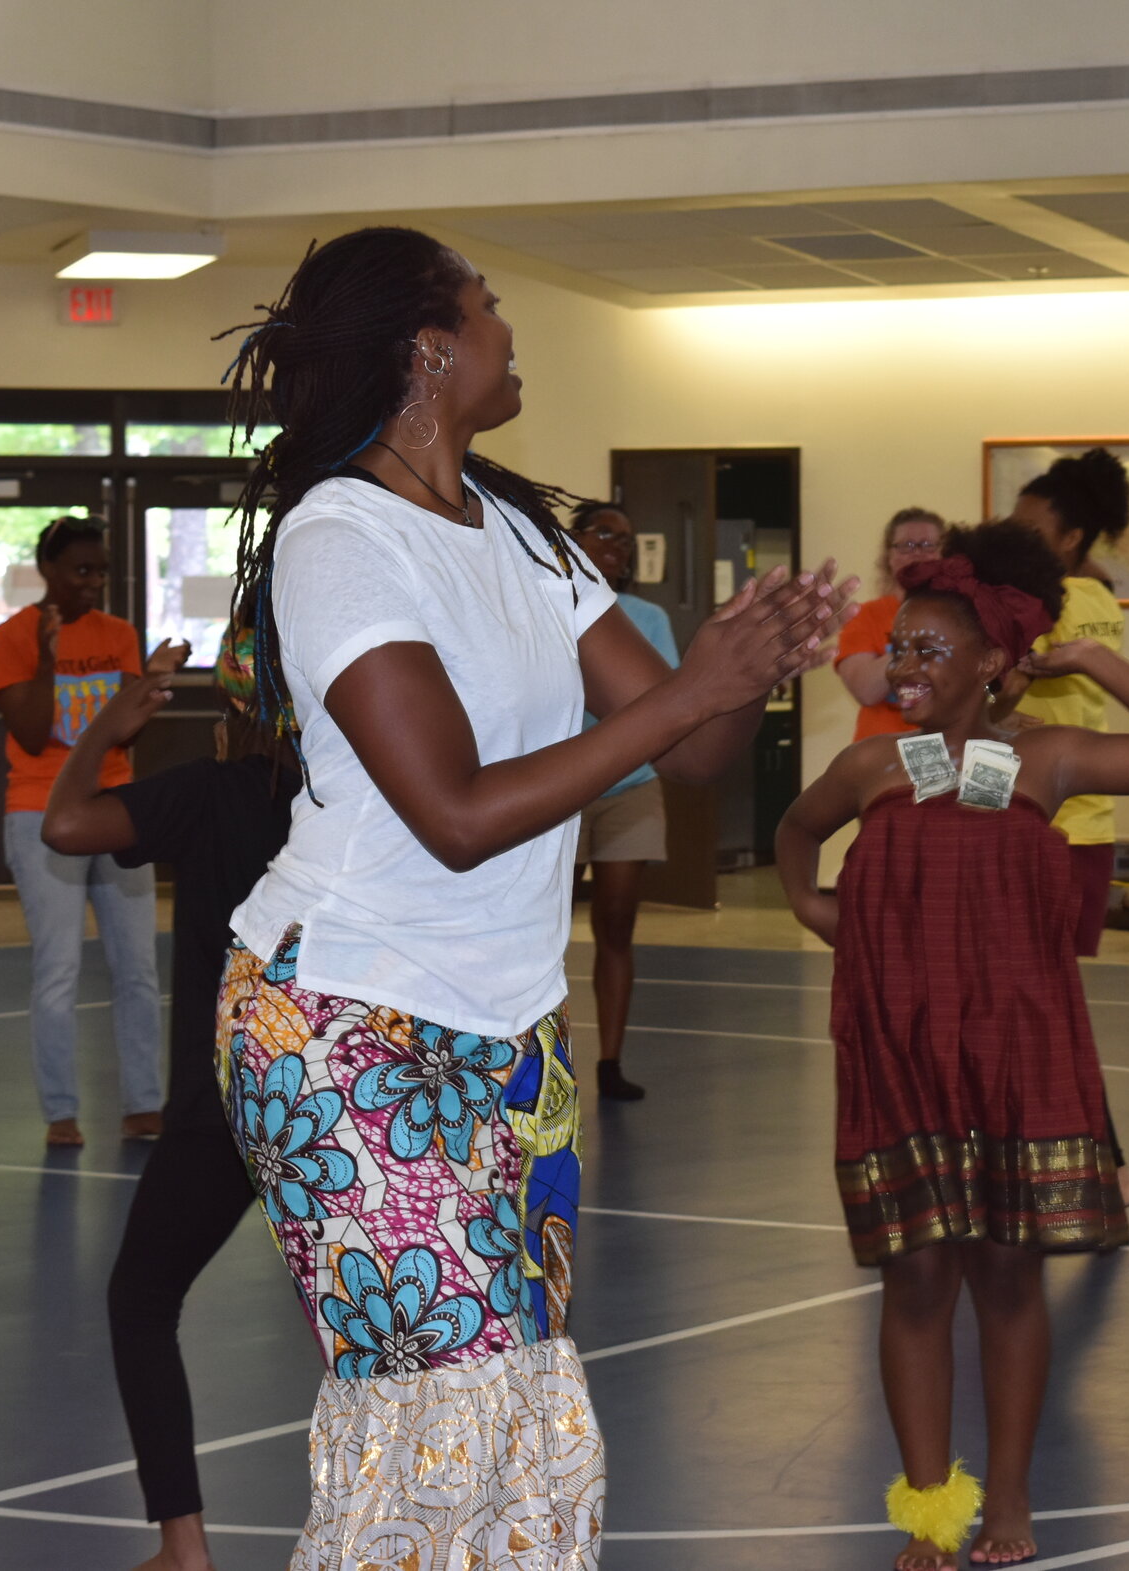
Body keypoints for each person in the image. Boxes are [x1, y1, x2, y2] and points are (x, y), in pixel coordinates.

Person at [211, 226, 853, 1569]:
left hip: (511, 1028)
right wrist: (690, 686)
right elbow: (453, 810)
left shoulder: (518, 528)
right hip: (343, 1022)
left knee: (516, 1398)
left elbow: (683, 750)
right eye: (491, 308)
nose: (515, 331)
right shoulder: (339, 537)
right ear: (432, 348)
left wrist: (747, 672)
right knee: (440, 1402)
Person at [776, 521, 1129, 1571]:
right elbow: (798, 830)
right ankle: (931, 1511)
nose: (906, 664)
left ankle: (1010, 1491)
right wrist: (813, 905)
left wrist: (1094, 657)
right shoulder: (874, 761)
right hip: (897, 1046)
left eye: (932, 648)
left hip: (1014, 1045)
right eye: (901, 647)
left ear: (992, 662)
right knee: (917, 1276)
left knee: (1006, 1275)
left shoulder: (1044, 755)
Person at [42, 630, 297, 1571]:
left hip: (227, 1101)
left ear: (232, 713)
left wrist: (107, 727)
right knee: (370, 1323)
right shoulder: (357, 805)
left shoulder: (209, 792)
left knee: (142, 1296)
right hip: (342, 1101)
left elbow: (64, 826)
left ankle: (182, 1544)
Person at [0, 516, 164, 1147]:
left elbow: (123, 733)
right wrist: (44, 654)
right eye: (80, 570)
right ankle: (61, 1110)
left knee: (138, 967)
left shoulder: (118, 633)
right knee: (58, 966)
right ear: (49, 571)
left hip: (115, 810)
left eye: (101, 572)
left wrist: (148, 690)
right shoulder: (10, 637)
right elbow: (33, 733)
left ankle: (144, 1102)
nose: (93, 583)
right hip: (39, 811)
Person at [567, 500, 681, 1103]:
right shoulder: (546, 604)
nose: (619, 544)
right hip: (559, 786)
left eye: (628, 537)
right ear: (575, 538)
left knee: (615, 923)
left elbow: (664, 700)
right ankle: (541, 1060)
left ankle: (610, 1061)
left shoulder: (647, 616)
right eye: (605, 532)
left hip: (629, 788)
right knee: (544, 926)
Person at [1007, 448, 1129, 957]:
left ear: (1071, 537)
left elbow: (1006, 686)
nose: (1018, 543)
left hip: (1039, 818)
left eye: (1030, 533)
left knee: (1021, 973)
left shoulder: (1046, 602)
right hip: (1090, 820)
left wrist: (982, 699)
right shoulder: (1101, 596)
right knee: (1068, 979)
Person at [836, 507, 947, 741]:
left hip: (947, 751)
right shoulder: (865, 615)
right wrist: (920, 640)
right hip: (882, 756)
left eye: (928, 545)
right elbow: (866, 691)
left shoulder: (962, 614)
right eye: (906, 546)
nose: (917, 554)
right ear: (888, 556)